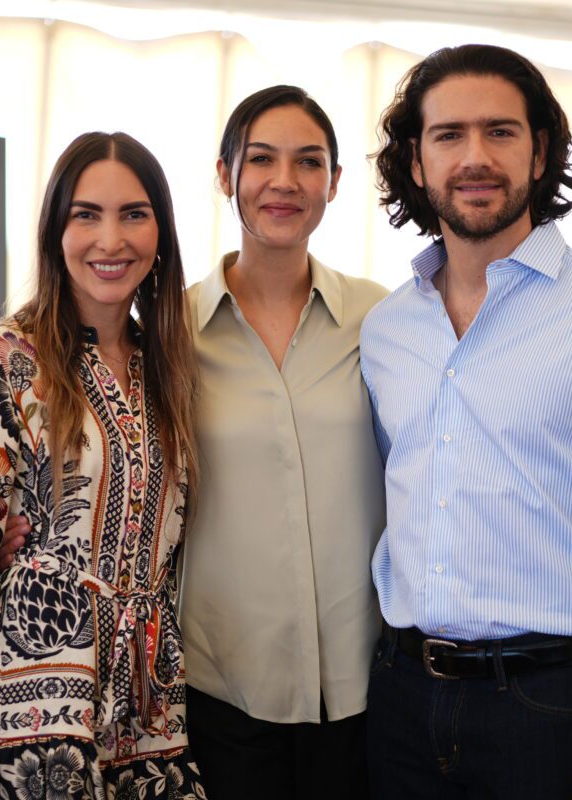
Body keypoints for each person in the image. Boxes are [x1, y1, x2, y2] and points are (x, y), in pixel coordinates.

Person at [360, 44, 572, 799]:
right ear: (415, 162)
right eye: (448, 135)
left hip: (554, 708)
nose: (475, 157)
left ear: (541, 151)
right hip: (398, 701)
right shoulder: (385, 330)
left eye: (501, 132)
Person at [0, 131, 205, 800]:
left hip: (147, 711)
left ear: (161, 235)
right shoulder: (3, 359)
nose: (110, 239)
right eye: (85, 214)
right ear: (55, 232)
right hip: (29, 707)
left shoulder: (169, 368)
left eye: (134, 213)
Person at [179, 85, 387, 800]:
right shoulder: (170, 333)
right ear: (224, 174)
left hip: (367, 689)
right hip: (222, 687)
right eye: (262, 159)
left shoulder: (382, 317)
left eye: (309, 162)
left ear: (333, 182)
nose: (284, 181)